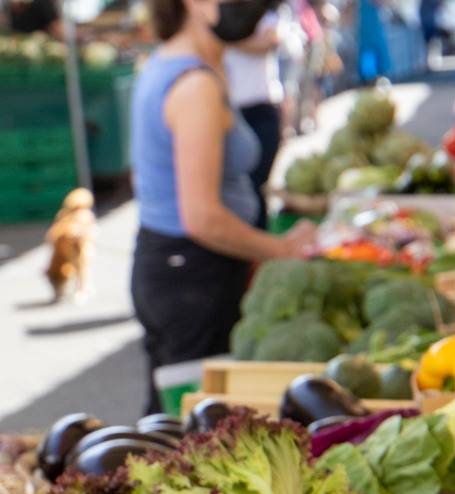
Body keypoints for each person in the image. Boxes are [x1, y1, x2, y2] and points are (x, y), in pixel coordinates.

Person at [129, 0, 315, 412]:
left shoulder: (185, 65)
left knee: (170, 420)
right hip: (193, 276)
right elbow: (202, 217)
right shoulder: (195, 86)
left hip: (177, 268)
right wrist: (281, 249)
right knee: (188, 424)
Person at [225, 4, 286, 226]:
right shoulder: (222, 20)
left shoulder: (265, 17)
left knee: (256, 186)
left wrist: (229, 39)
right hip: (235, 111)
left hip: (261, 110)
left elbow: (270, 42)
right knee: (243, 189)